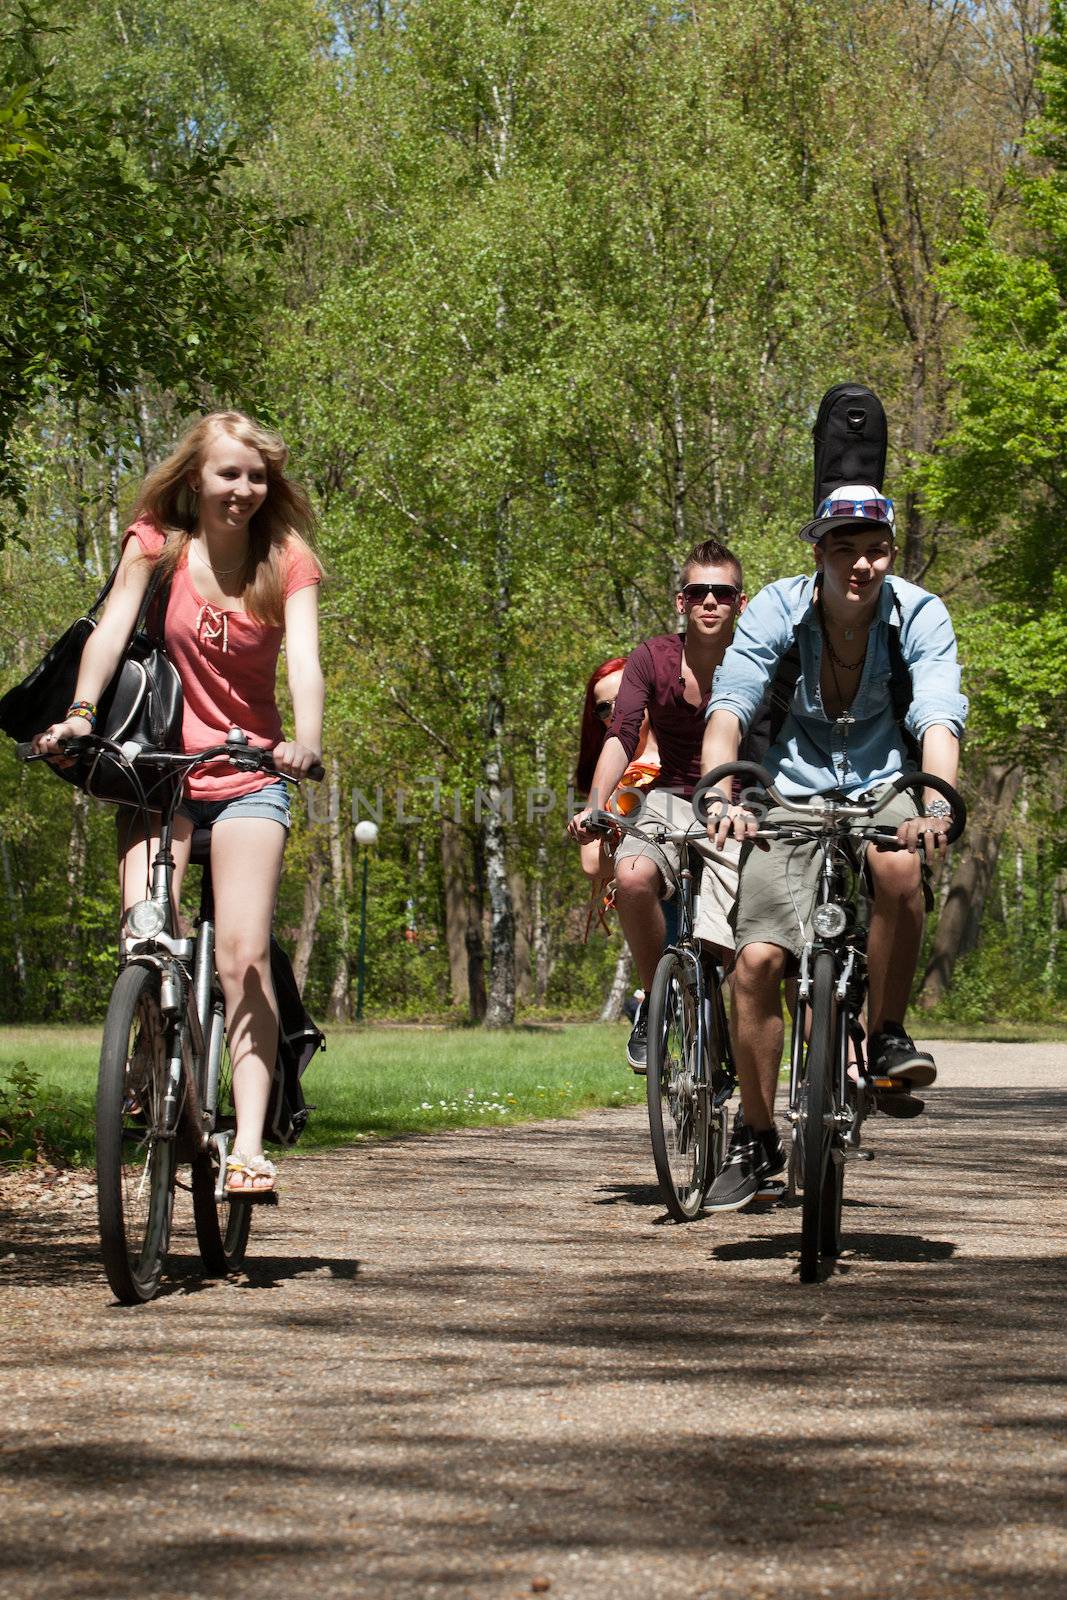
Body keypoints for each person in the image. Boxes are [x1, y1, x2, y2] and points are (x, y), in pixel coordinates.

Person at [32, 410, 324, 1199]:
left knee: (243, 956)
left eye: (256, 476)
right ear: (195, 477)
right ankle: (148, 1055)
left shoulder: (286, 559)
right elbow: (110, 628)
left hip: (250, 774)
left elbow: (305, 663)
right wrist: (82, 714)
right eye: (229, 473)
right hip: (159, 771)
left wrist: (303, 738)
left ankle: (250, 1148)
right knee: (143, 937)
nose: (243, 489)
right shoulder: (156, 543)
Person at [700, 484, 967, 1210]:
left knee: (897, 863)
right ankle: (755, 1137)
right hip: (788, 789)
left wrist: (935, 802)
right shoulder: (776, 611)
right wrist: (721, 792)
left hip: (884, 778)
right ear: (817, 552)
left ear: (889, 553)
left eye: (874, 550)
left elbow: (939, 714)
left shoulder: (919, 612)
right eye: (842, 550)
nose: (860, 565)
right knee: (755, 961)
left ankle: (883, 1033)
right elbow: (731, 703)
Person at [569, 539, 748, 1071]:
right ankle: (657, 1004)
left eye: (723, 592)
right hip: (671, 799)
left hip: (745, 798)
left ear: (740, 602)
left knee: (744, 948)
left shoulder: (758, 656)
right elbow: (621, 733)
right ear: (681, 601)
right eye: (699, 592)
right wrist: (597, 806)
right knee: (631, 877)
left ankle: (739, 1065)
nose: (710, 601)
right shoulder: (652, 657)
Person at [574, 656, 662, 898]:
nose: (615, 711)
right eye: (604, 707)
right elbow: (591, 863)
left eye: (623, 698)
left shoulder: (684, 751)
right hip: (651, 894)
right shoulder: (607, 777)